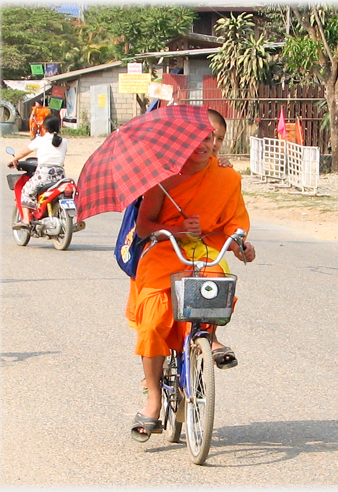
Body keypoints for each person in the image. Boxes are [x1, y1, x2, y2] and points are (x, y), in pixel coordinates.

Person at [128, 108, 256, 441]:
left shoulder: (228, 177)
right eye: (198, 137)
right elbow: (144, 226)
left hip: (206, 251)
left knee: (215, 290)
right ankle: (154, 398)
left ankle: (208, 336)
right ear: (184, 139)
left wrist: (240, 244)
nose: (206, 144)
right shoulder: (163, 177)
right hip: (164, 251)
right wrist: (178, 227)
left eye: (212, 138)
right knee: (153, 321)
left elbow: (234, 223)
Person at [9, 114, 68, 229]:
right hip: (60, 176)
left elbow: (23, 153)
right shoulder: (64, 141)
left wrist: (14, 159)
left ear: (44, 128)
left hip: (43, 175)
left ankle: (26, 220)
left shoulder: (40, 140)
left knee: (26, 191)